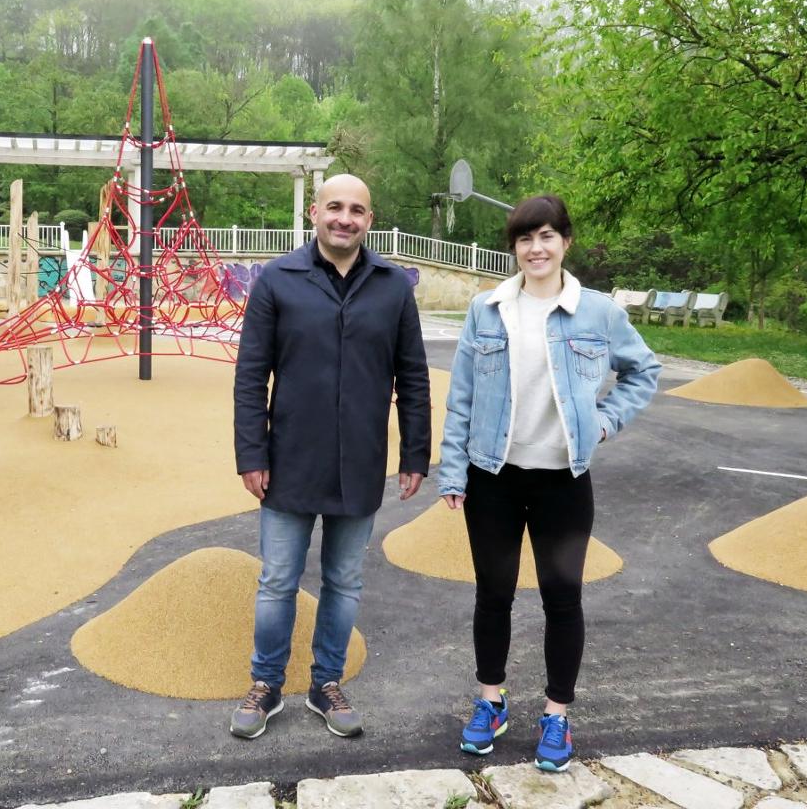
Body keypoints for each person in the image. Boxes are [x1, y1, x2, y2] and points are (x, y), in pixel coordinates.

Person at [438, 194, 660, 771]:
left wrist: (604, 422)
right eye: (524, 238)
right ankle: (491, 702)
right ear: (514, 247)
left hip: (564, 481)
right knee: (494, 593)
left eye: (546, 237)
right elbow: (462, 397)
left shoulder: (598, 313)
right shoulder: (487, 309)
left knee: (563, 598)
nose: (535, 249)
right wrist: (452, 470)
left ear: (565, 242)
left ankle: (556, 714)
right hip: (493, 477)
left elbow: (644, 371)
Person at [231, 173, 431, 739]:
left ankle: (326, 684)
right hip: (289, 459)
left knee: (344, 581)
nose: (345, 218)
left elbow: (413, 376)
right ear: (314, 213)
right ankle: (266, 684)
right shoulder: (277, 280)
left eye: (357, 210)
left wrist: (415, 453)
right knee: (278, 580)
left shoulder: (393, 287)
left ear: (370, 220)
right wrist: (251, 453)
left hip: (360, 461)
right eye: (335, 207)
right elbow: (251, 375)